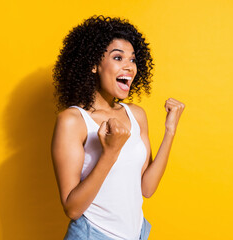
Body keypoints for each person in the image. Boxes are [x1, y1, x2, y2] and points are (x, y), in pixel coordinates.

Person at [51, 15, 185, 240]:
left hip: (136, 234)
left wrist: (170, 131)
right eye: (118, 57)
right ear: (94, 64)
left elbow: (147, 188)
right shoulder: (73, 121)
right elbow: (72, 209)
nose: (129, 67)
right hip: (93, 234)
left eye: (132, 60)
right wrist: (110, 152)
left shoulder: (136, 115)